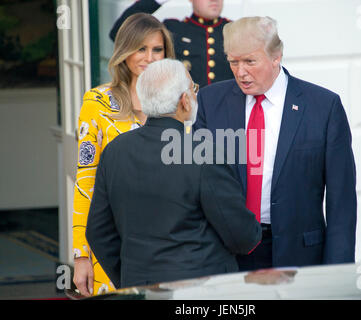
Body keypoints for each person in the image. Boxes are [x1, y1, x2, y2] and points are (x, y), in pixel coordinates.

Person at [194, 16, 357, 271]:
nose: (240, 72)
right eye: (233, 62)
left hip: (299, 256)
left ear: (276, 56)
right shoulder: (209, 101)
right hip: (226, 255)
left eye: (250, 61)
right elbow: (197, 184)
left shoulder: (323, 107)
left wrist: (338, 274)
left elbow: (342, 202)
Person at [85, 59, 262, 288]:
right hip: (200, 291)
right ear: (184, 101)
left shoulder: (115, 150)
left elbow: (98, 232)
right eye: (193, 89)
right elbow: (241, 236)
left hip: (139, 285)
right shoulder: (203, 152)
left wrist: (130, 278)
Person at [72, 13, 175, 297]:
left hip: (171, 244)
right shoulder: (98, 103)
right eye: (140, 49)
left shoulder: (180, 103)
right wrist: (81, 255)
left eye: (157, 50)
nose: (149, 58)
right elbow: (85, 182)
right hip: (113, 243)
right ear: (124, 52)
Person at [109, 0, 233, 87]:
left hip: (225, 114)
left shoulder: (234, 30)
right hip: (182, 114)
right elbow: (120, 34)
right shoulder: (174, 29)